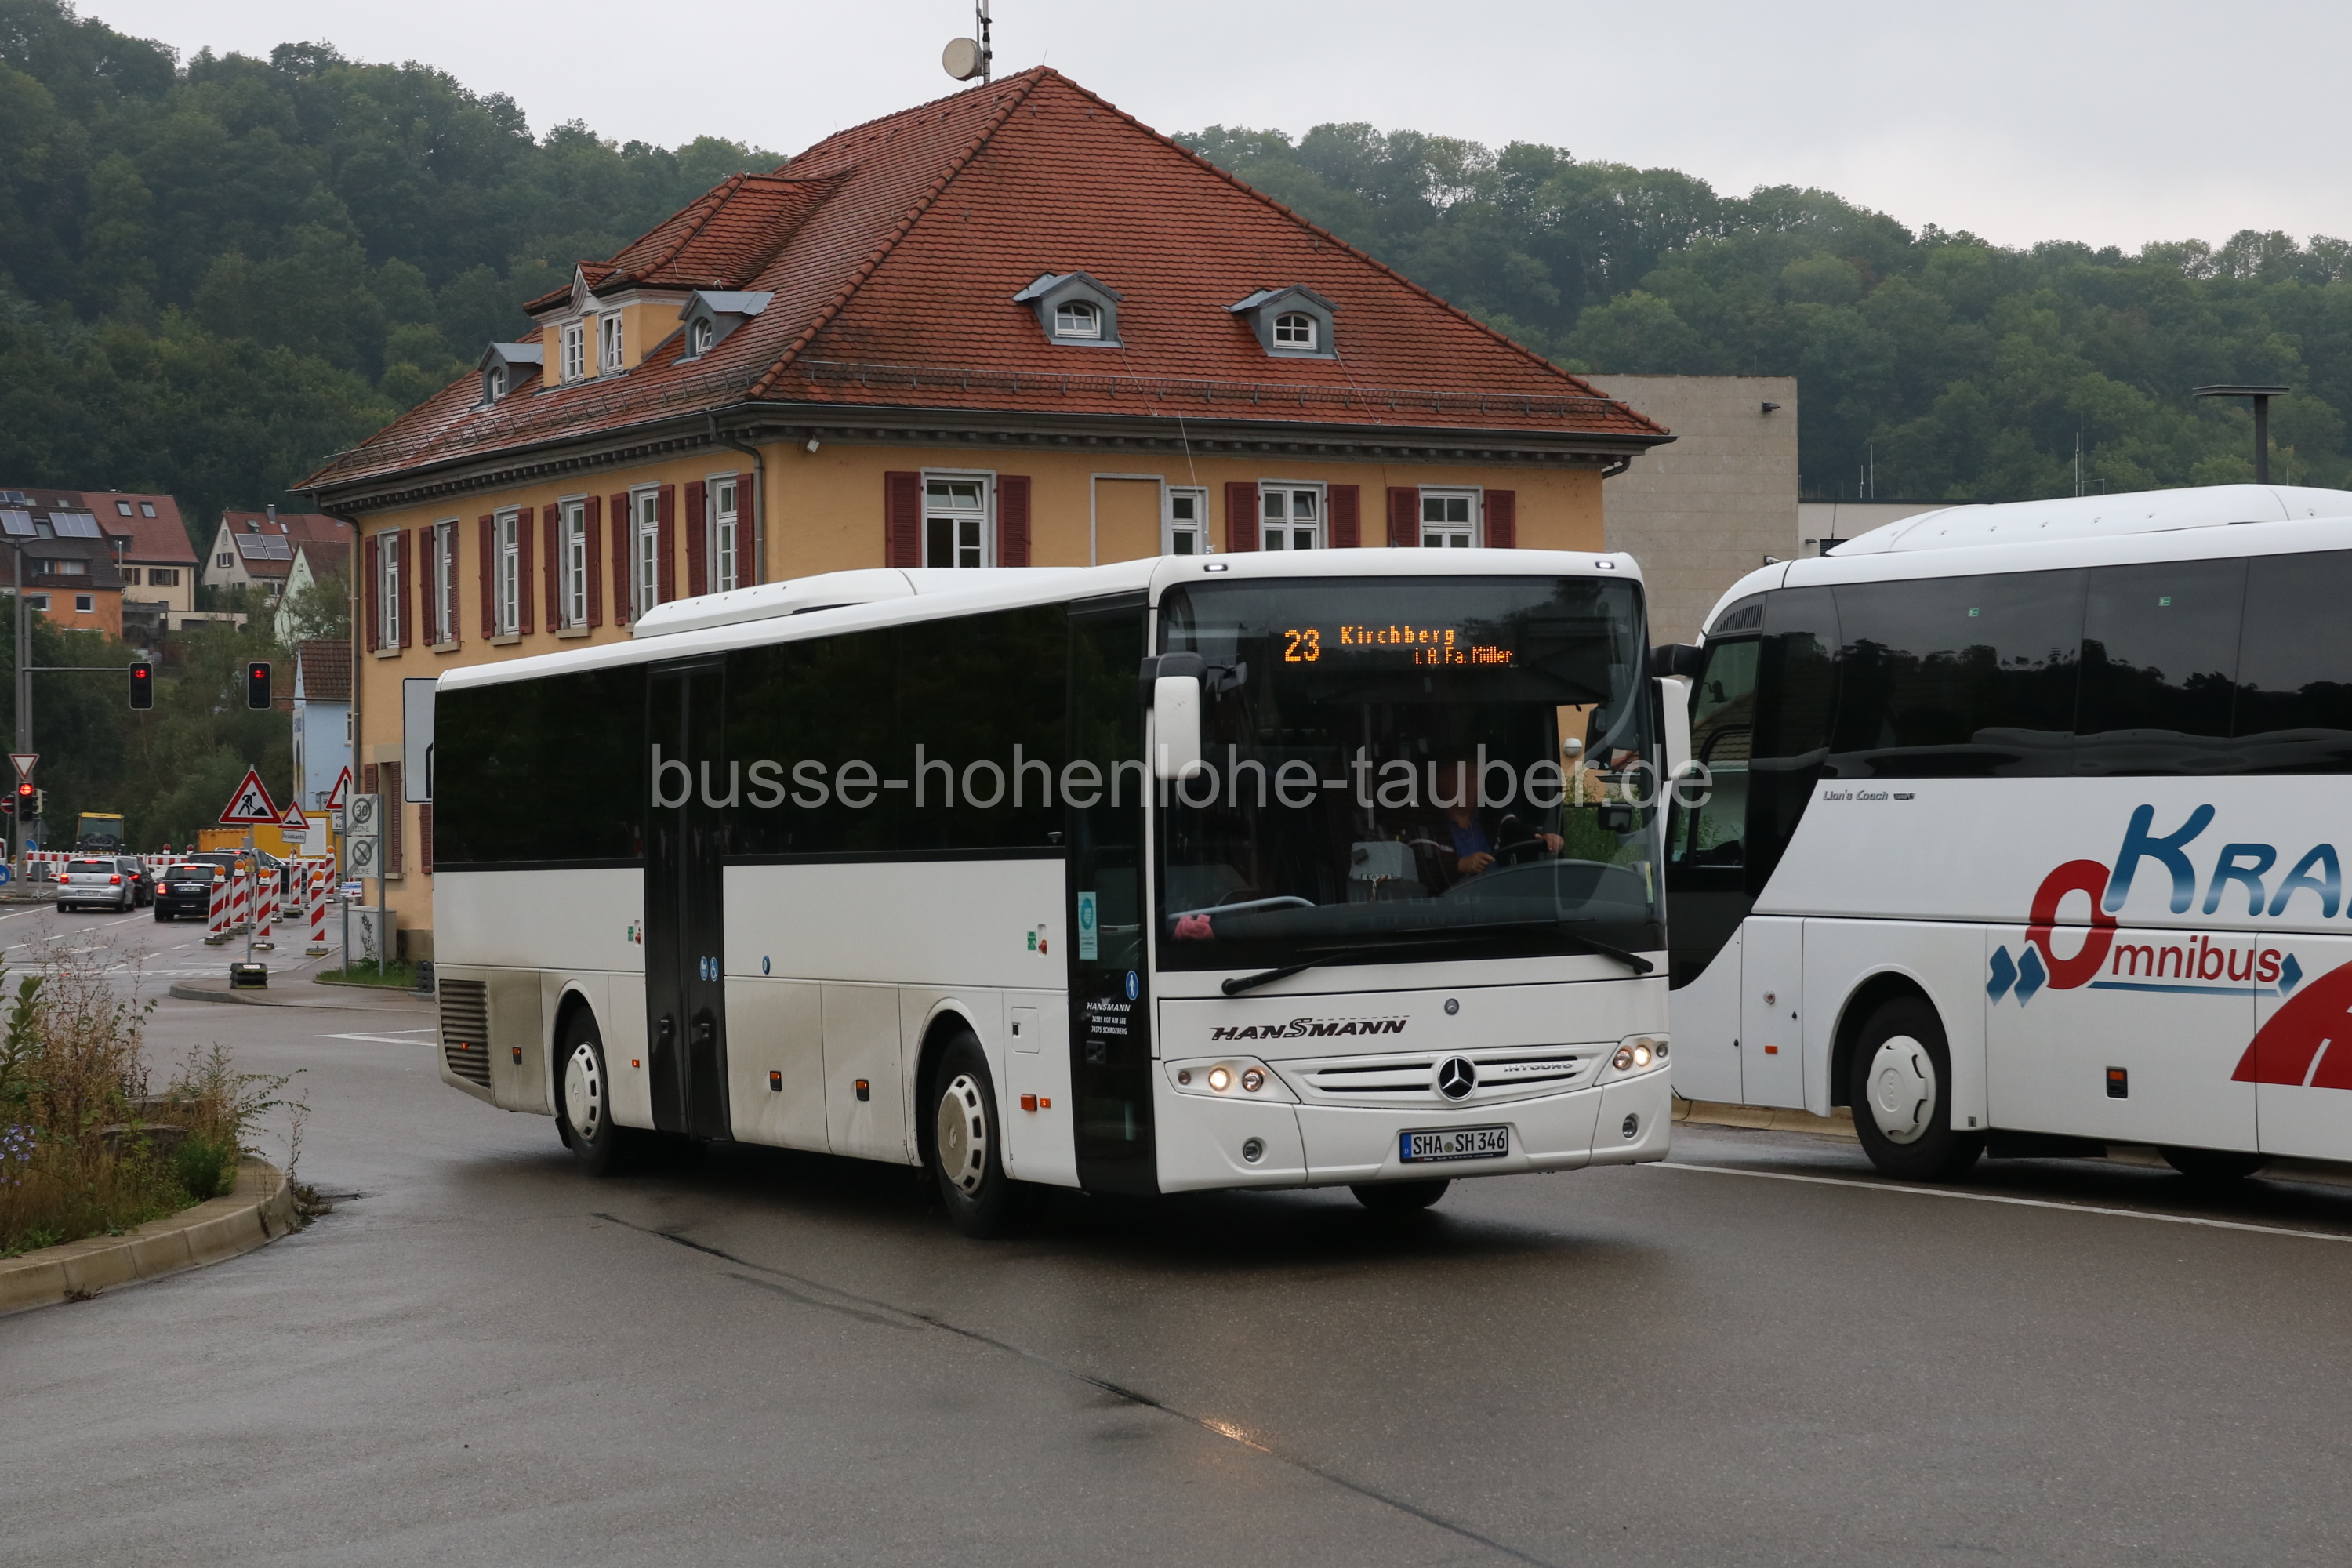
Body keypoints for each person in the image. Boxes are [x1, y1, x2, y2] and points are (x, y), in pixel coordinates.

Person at [1429, 756, 1561, 882]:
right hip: (1454, 897)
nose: (1469, 785)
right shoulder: (1429, 826)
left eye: (1473, 778)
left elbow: (1515, 830)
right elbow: (1424, 869)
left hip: (1498, 893)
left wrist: (1544, 838)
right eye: (1460, 777)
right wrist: (1460, 865)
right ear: (1441, 783)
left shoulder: (1491, 816)